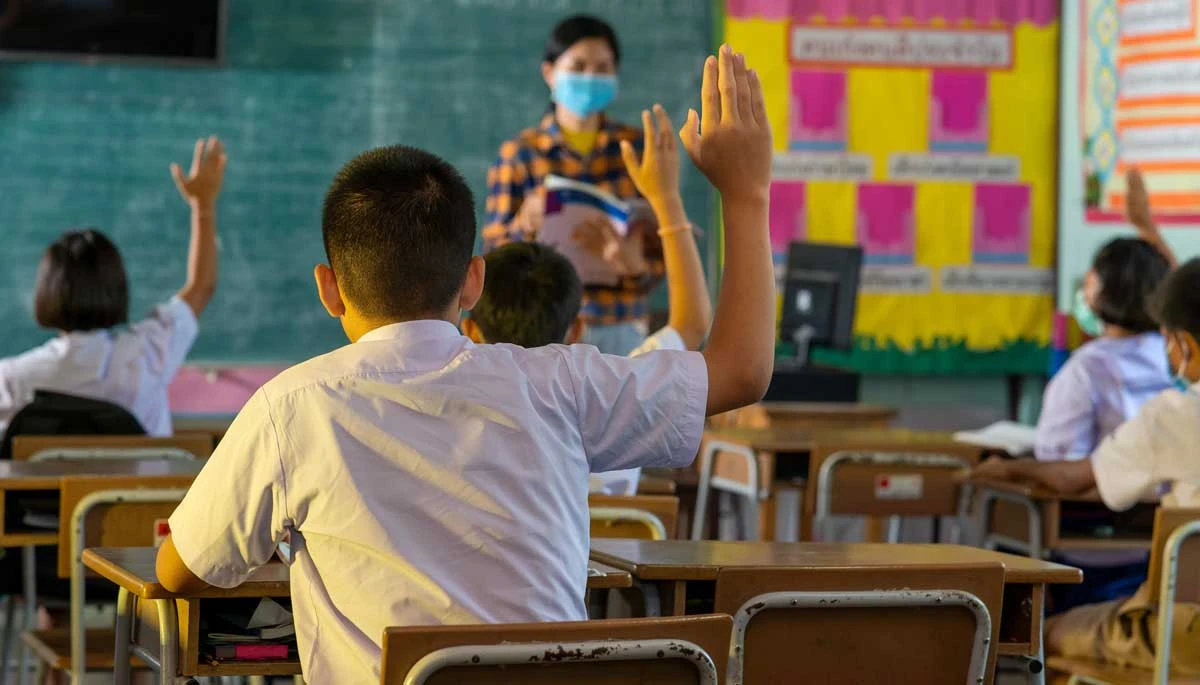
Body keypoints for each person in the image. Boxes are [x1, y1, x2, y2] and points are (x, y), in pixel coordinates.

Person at [156, 47, 775, 683]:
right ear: (473, 281)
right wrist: (747, 196)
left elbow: (180, 571)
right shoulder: (559, 383)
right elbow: (742, 371)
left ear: (329, 289)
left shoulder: (291, 407)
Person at [466, 104, 712, 494]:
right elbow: (692, 324)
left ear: (470, 329)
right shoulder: (611, 400)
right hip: (600, 541)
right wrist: (667, 200)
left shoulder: (455, 408)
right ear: (577, 329)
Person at [973, 259, 1200, 675]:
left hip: (1183, 633)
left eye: (1168, 340)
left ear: (1187, 345)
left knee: (1041, 635)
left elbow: (1073, 477)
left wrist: (1012, 469)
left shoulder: (1174, 414)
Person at [0, 137, 226, 437]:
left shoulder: (12, 380)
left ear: (45, 293)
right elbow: (201, 286)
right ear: (119, 289)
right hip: (143, 472)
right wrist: (203, 205)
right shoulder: (150, 353)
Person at [482, 15, 664, 355]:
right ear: (549, 73)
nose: (590, 77)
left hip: (620, 325)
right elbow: (492, 261)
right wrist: (524, 223)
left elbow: (667, 253)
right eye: (578, 66)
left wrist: (635, 266)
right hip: (541, 329)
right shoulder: (519, 155)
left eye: (602, 67)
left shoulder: (638, 149)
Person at [1036, 169, 1174, 463]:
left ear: (1099, 292)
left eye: (1088, 281)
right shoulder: (1177, 359)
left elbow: (1057, 465)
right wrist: (1146, 227)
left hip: (1101, 492)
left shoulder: (1085, 372)